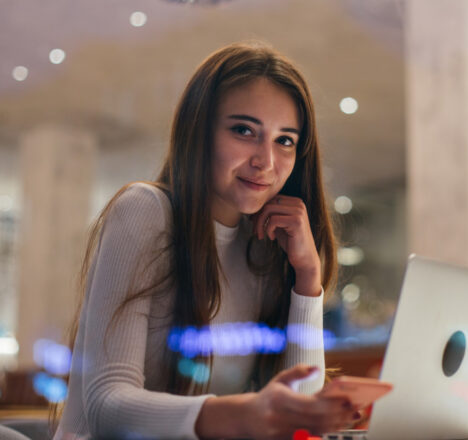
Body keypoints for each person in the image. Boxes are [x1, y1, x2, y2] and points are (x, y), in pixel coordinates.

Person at [53, 42, 355, 440]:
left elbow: (299, 418)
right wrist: (241, 415)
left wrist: (307, 279)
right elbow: (106, 407)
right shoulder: (144, 210)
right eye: (244, 130)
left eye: (285, 140)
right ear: (199, 132)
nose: (265, 161)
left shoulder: (266, 246)